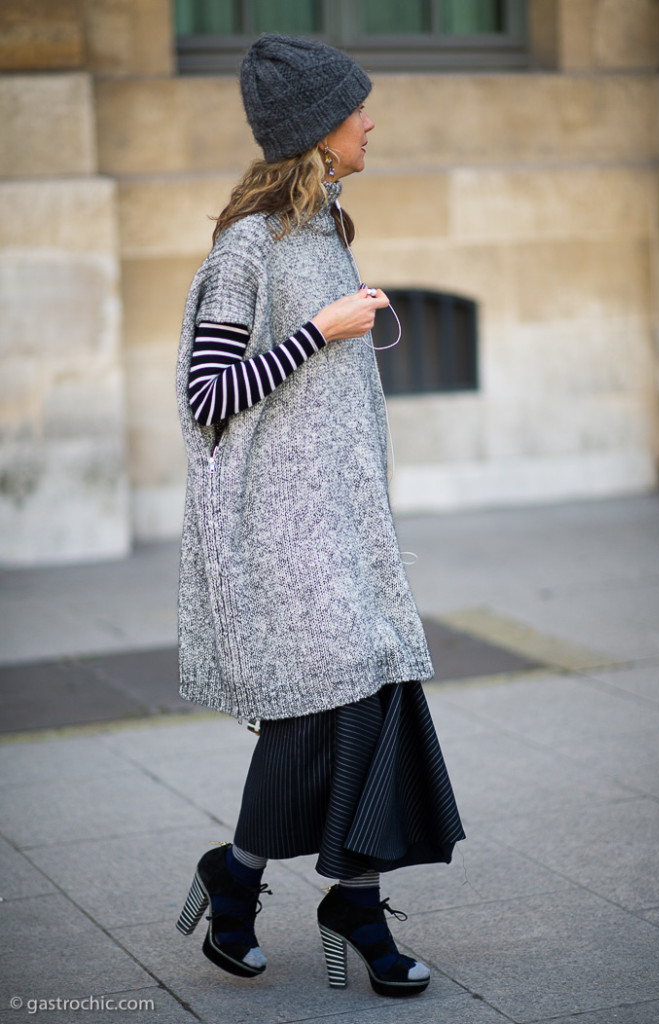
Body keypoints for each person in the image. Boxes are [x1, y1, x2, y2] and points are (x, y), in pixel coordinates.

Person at [175, 33, 465, 998]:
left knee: (368, 692)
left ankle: (279, 883)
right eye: (357, 109)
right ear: (316, 132)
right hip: (281, 536)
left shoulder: (324, 232)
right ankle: (312, 893)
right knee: (333, 698)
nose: (371, 120)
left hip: (340, 526)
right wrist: (318, 330)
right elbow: (208, 394)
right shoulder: (244, 249)